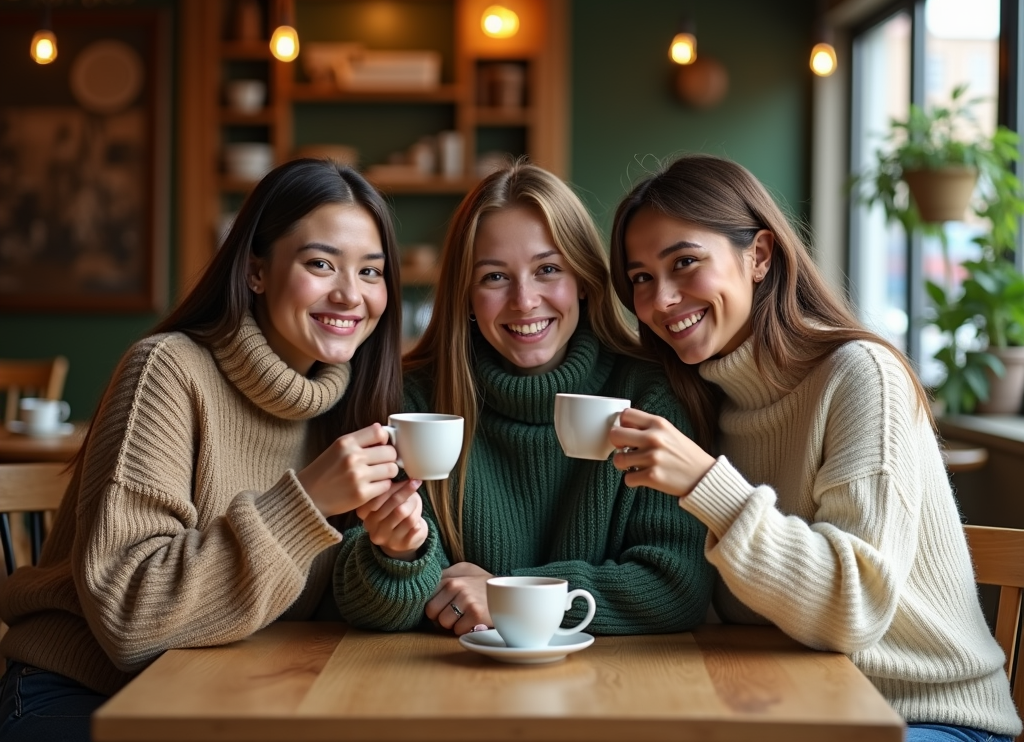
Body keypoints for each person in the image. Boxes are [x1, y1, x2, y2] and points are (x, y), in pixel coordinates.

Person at [605, 153, 1022, 742]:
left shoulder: (861, 376)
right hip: (790, 705)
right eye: (641, 277)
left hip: (927, 715)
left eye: (685, 263)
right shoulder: (699, 398)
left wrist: (708, 487)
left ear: (759, 256)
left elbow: (856, 609)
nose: (662, 299)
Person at [0, 159, 418, 742]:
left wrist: (395, 552)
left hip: (231, 688)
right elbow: (129, 621)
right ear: (256, 272)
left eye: (371, 271)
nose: (351, 294)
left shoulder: (351, 406)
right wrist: (305, 504)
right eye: (320, 264)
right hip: (80, 693)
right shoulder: (168, 371)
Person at [333, 160, 713, 636]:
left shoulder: (648, 394)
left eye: (548, 269)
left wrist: (506, 595)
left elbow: (675, 588)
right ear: (466, 295)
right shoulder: (417, 401)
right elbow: (363, 605)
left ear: (583, 282)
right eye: (495, 277)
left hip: (612, 689)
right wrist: (399, 554)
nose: (525, 300)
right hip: (446, 686)